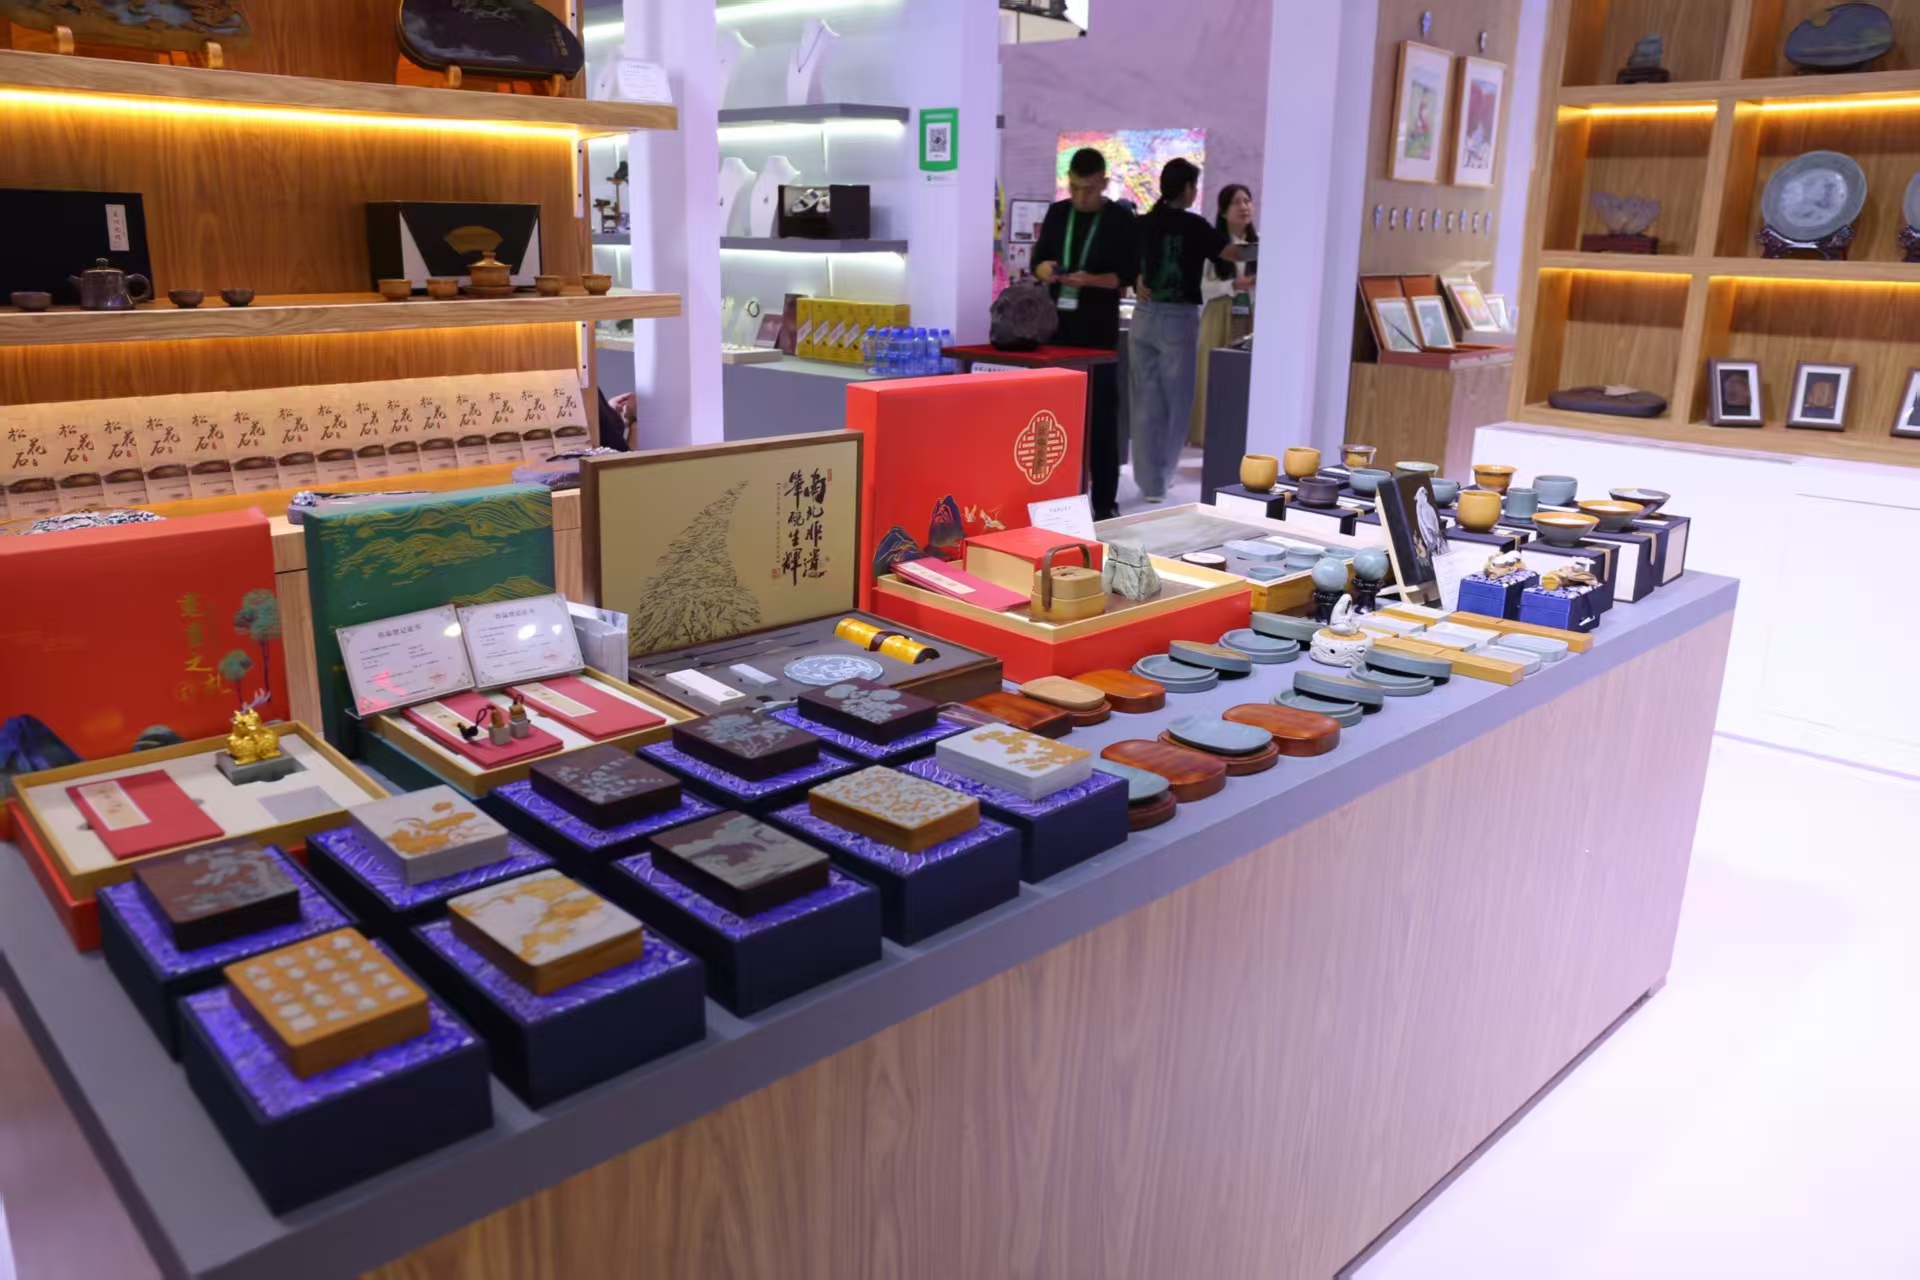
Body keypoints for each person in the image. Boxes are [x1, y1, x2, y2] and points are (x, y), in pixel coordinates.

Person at [1129, 157, 1244, 503]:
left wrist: (1136, 278)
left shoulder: (1143, 222)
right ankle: (1161, 478)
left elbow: (1129, 263)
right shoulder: (1194, 225)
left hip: (1142, 316)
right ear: (1188, 188)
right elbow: (1231, 253)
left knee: (1145, 401)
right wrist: (1263, 245)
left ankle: (1147, 481)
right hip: (1178, 319)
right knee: (1175, 402)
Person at [1032, 148, 1138, 520]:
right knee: (1051, 420)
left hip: (1098, 339)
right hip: (1054, 336)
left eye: (1088, 189)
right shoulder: (1058, 213)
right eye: (1074, 188)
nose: (1080, 197)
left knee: (1101, 423)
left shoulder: (1119, 220)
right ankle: (1051, 498)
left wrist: (1090, 280)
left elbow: (1126, 276)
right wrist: (1048, 271)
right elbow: (1036, 263)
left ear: (1103, 184)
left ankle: (1105, 503)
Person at [1190, 183, 1258, 445]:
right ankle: (1207, 434)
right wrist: (1232, 285)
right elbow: (1201, 288)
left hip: (1250, 316)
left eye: (1247, 201)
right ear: (1223, 211)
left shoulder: (1259, 244)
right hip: (1218, 314)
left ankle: (1241, 433)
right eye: (1236, 202)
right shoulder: (1213, 245)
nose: (1244, 207)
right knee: (1211, 375)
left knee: (1244, 377)